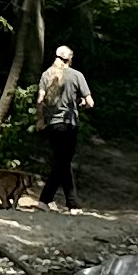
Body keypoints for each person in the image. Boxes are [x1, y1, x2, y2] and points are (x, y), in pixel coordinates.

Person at [34, 43, 94, 207]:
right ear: (69, 59)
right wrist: (81, 104)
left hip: (53, 125)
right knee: (64, 163)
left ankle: (50, 200)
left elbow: (40, 101)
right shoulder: (76, 75)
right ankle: (65, 202)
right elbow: (90, 102)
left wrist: (40, 119)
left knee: (61, 162)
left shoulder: (46, 75)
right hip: (69, 124)